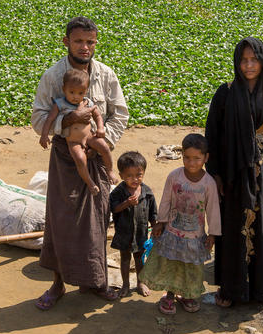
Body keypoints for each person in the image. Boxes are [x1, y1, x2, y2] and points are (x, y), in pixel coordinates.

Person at [31, 17, 129, 309]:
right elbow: (39, 119)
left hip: (96, 157)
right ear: (66, 42)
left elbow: (119, 114)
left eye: (90, 42)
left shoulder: (106, 75)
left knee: (97, 218)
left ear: (95, 42)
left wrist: (101, 141)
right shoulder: (53, 76)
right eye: (78, 41)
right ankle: (57, 284)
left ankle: (96, 281)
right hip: (64, 157)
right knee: (60, 220)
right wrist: (67, 121)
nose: (84, 47)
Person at [205, 38, 263, 306]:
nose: (248, 65)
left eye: (253, 60)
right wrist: (216, 174)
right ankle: (231, 290)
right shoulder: (226, 92)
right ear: (237, 62)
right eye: (243, 60)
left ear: (262, 61)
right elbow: (213, 134)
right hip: (234, 174)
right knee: (233, 228)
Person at [141, 133, 222, 315]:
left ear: (206, 158)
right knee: (172, 264)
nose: (191, 163)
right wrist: (160, 222)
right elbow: (165, 201)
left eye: (197, 158)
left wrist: (213, 234)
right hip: (172, 232)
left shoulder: (208, 183)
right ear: (182, 155)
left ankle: (188, 295)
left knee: (191, 267)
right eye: (187, 157)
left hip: (195, 236)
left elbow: (213, 209)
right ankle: (169, 295)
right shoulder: (174, 177)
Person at [39, 68, 115, 194]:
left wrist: (101, 128)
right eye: (72, 92)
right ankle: (90, 183)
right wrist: (44, 135)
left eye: (80, 93)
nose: (75, 97)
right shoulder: (60, 104)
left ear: (86, 91)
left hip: (89, 136)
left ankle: (110, 170)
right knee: (80, 159)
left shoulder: (87, 102)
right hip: (73, 141)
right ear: (64, 89)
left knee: (104, 146)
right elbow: (49, 120)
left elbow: (97, 116)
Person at [109, 151, 157, 297]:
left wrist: (155, 227)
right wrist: (126, 203)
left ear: (144, 173)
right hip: (124, 233)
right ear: (122, 175)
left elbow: (153, 213)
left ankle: (140, 283)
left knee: (140, 259)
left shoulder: (147, 192)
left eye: (139, 175)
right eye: (129, 176)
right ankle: (125, 285)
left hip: (141, 233)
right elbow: (113, 209)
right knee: (125, 259)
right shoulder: (118, 192)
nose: (135, 179)